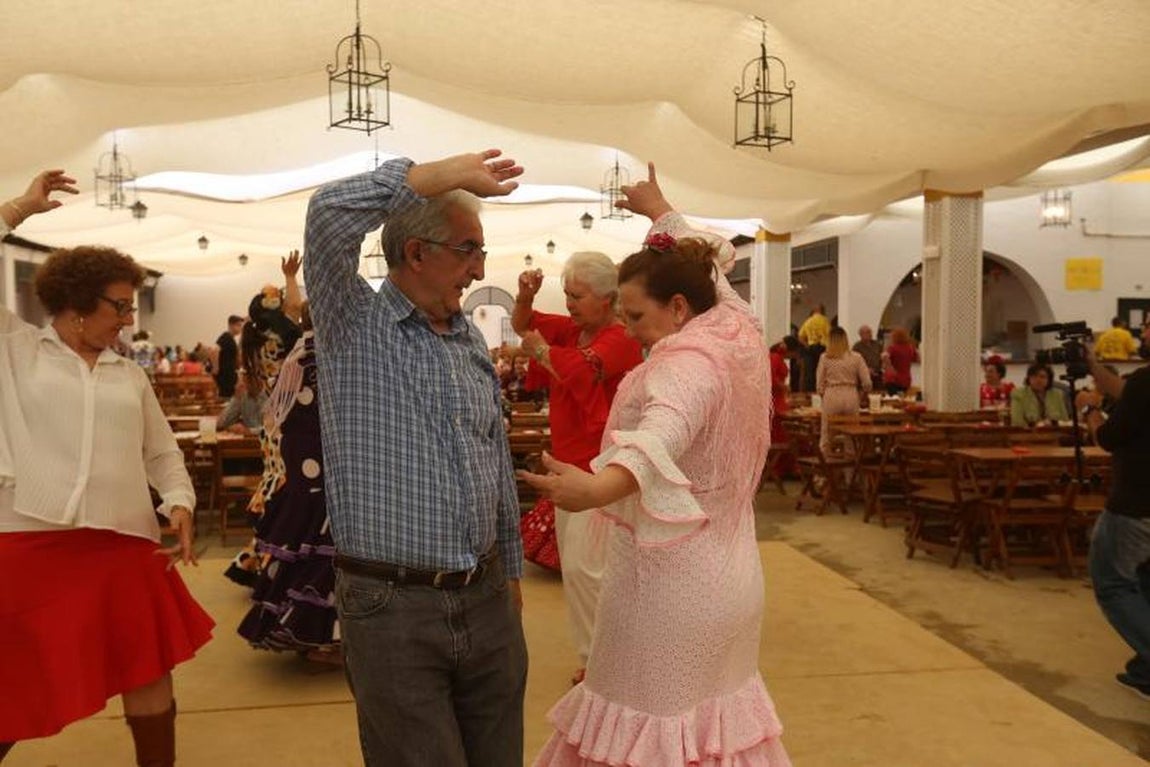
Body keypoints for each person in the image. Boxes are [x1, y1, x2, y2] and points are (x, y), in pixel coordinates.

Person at [524, 163, 791, 767]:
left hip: (671, 582)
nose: (628, 328)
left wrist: (598, 489)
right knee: (707, 726)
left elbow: (660, 435)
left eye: (636, 316)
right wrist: (659, 211)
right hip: (731, 572)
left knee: (654, 725)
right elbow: (712, 262)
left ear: (676, 308)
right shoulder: (735, 329)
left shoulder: (685, 361)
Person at [304, 149, 527, 767]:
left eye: (482, 251)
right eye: (468, 249)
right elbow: (327, 214)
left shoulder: (469, 339)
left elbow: (494, 458)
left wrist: (508, 570)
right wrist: (444, 174)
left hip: (485, 598)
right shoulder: (353, 322)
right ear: (417, 252)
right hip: (393, 604)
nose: (479, 267)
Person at [0, 170, 213, 766]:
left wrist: (180, 502)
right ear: (75, 301)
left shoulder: (129, 374)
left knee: (149, 672)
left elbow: (162, 453)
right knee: (13, 682)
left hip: (123, 542)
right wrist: (17, 208)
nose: (128, 317)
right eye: (119, 305)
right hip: (26, 539)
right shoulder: (13, 348)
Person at [511, 253, 644, 682]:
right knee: (580, 567)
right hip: (573, 463)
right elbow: (523, 324)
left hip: (600, 469)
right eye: (566, 294)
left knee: (592, 568)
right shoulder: (578, 331)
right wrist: (526, 296)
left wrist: (543, 352)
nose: (568, 302)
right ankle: (596, 658)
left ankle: (606, 662)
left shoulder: (618, 338)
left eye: (577, 295)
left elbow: (585, 371)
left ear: (607, 300)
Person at [237, 304, 340, 661]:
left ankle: (296, 627)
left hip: (301, 464)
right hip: (321, 466)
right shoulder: (320, 359)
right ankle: (312, 635)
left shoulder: (300, 355)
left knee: (304, 543)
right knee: (322, 546)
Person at [1078, 350, 1150, 698]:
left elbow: (1106, 437)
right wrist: (1094, 368)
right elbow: (1128, 389)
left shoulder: (1145, 383)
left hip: (1136, 505)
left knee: (1113, 584)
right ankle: (1144, 672)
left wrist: (1090, 410)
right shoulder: (1140, 385)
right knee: (1145, 583)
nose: (1144, 332)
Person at [817, 326, 872, 454]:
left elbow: (819, 384)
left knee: (826, 436)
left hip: (831, 394)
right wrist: (861, 394)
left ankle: (825, 471)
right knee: (850, 436)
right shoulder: (856, 357)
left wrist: (823, 396)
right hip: (851, 394)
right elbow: (867, 383)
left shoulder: (825, 358)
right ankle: (850, 471)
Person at [1009, 362, 1069, 427]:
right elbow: (1017, 422)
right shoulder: (1019, 394)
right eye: (1034, 376)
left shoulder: (1057, 394)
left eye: (1042, 377)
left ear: (1049, 380)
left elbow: (1065, 420)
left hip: (1054, 433)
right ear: (1029, 378)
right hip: (1029, 434)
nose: (1038, 380)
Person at [797, 303, 830, 392]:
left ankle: (810, 391)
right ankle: (821, 389)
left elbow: (800, 336)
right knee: (822, 370)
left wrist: (806, 345)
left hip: (811, 348)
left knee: (810, 371)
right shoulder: (825, 320)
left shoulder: (808, 321)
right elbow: (829, 335)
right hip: (822, 348)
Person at [214, 314, 245, 398]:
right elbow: (215, 350)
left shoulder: (231, 339)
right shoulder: (226, 337)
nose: (240, 328)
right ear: (231, 325)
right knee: (226, 397)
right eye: (238, 325)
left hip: (230, 373)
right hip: (225, 374)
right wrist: (216, 367)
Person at [882, 325, 918, 396]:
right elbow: (917, 359)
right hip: (906, 380)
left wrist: (889, 367)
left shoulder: (893, 347)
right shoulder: (910, 348)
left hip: (893, 379)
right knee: (902, 399)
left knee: (894, 399)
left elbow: (884, 356)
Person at [853, 324, 884, 392]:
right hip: (864, 377)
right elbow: (854, 362)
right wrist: (867, 370)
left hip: (877, 375)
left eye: (870, 332)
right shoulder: (857, 347)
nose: (870, 334)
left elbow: (882, 357)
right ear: (861, 334)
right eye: (867, 332)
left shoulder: (877, 344)